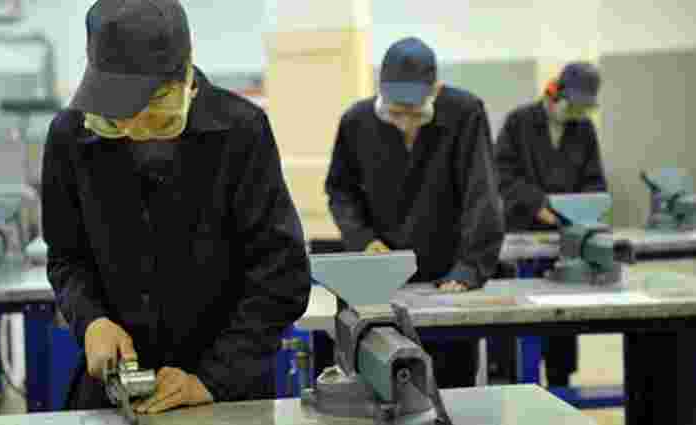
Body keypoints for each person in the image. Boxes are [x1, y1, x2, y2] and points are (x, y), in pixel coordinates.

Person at [42, 0, 310, 413]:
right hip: (117, 389)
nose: (132, 130)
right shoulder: (70, 136)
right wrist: (91, 320)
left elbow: (282, 275)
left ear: (186, 78)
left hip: (224, 391)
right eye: (116, 117)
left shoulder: (241, 133)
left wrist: (213, 378)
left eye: (151, 111)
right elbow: (67, 258)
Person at [325, 37, 505, 388]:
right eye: (395, 113)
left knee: (453, 388)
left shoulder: (465, 113)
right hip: (379, 277)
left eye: (415, 113)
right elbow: (340, 191)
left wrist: (469, 267)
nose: (406, 123)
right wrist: (363, 241)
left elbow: (481, 193)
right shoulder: (357, 121)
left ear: (435, 90)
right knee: (382, 384)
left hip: (447, 276)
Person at [495, 62, 606, 386]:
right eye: (573, 106)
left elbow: (595, 181)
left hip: (567, 240)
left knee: (563, 323)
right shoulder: (519, 122)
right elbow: (502, 175)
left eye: (583, 109)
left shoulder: (584, 129)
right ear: (555, 93)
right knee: (520, 325)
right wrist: (536, 205)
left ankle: (560, 382)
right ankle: (516, 381)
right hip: (522, 235)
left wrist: (585, 211)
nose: (577, 114)